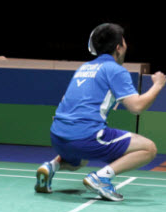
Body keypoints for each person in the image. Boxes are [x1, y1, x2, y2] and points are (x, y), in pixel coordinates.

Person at [35, 23, 166, 201]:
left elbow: (66, 101)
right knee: (148, 148)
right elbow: (137, 107)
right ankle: (102, 177)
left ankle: (51, 167)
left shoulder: (84, 68)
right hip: (85, 136)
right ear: (118, 48)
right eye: (124, 43)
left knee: (79, 159)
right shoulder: (115, 70)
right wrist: (158, 84)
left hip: (58, 136)